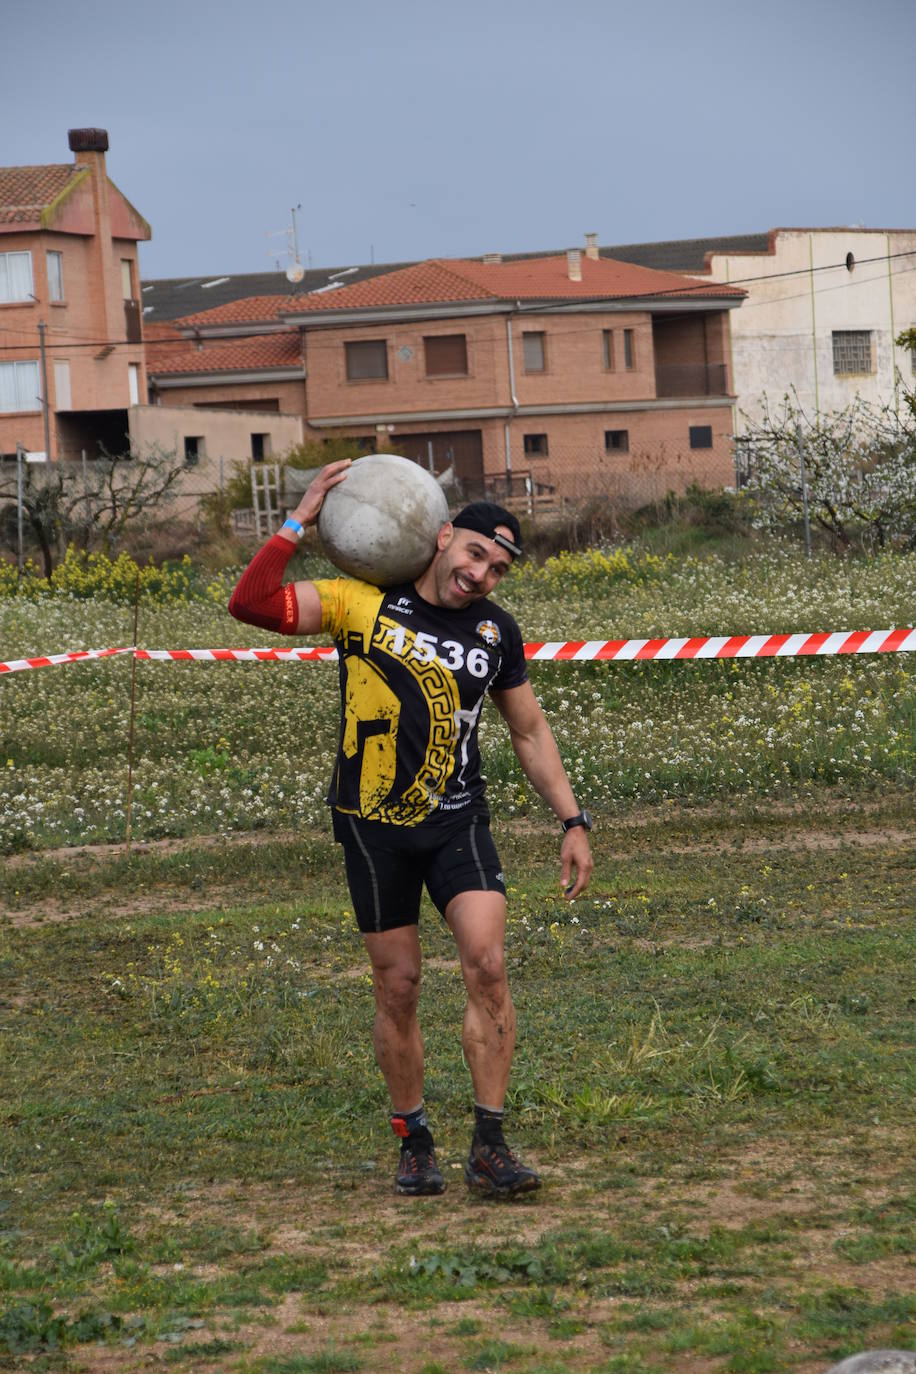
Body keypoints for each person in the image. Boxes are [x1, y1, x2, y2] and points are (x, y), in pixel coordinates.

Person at [228, 459, 593, 1198]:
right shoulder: (361, 603)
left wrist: (573, 819)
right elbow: (250, 601)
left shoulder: (496, 632)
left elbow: (528, 732)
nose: (482, 574)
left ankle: (489, 1144)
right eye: (475, 553)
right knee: (398, 987)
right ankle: (414, 1139)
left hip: (457, 820)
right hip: (371, 829)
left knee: (487, 967)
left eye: (498, 567)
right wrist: (300, 518)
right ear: (443, 536)